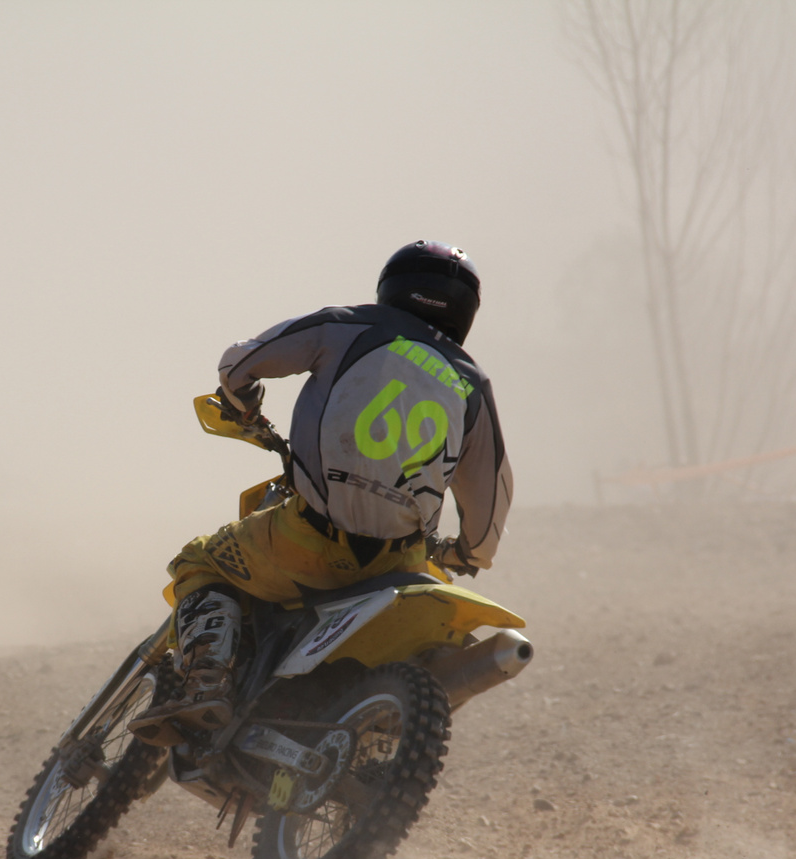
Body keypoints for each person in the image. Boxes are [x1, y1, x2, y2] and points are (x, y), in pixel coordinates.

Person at [132, 241, 512, 742]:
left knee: (198, 563)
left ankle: (207, 685)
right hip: (399, 565)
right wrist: (467, 553)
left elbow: (240, 364)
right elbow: (492, 502)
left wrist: (243, 403)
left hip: (309, 539)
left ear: (391, 286)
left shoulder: (352, 324)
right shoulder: (472, 384)